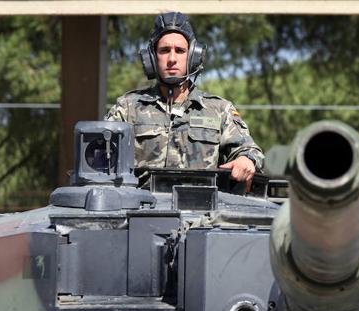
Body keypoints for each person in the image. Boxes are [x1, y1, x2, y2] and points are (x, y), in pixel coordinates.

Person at [106, 12, 264, 189]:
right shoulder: (128, 107)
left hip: (202, 212)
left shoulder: (219, 109)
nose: (172, 59)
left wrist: (245, 160)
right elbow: (98, 154)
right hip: (139, 209)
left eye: (180, 51)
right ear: (151, 58)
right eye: (164, 50)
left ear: (193, 57)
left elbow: (249, 150)